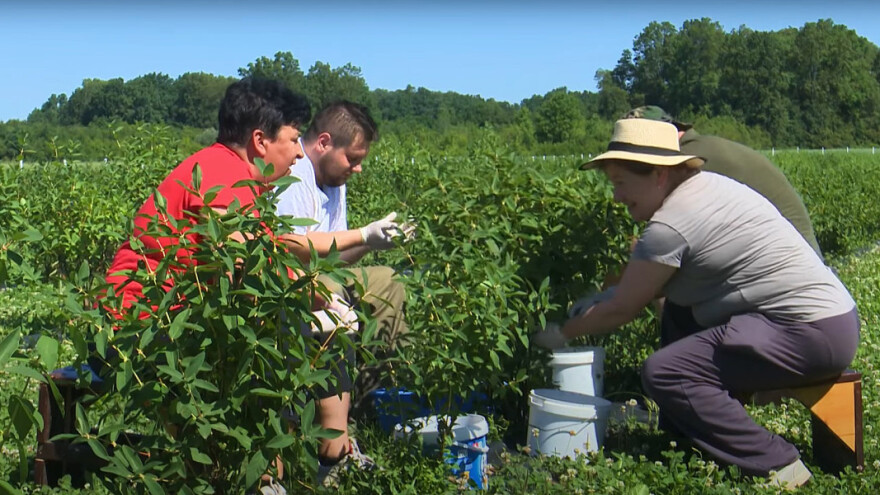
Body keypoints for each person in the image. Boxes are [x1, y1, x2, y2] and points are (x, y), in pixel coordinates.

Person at [534, 119, 859, 489]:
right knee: (679, 313)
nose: (616, 197)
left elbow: (623, 308)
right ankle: (685, 432)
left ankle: (778, 464)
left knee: (664, 372)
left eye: (621, 183)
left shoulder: (671, 225)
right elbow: (643, 286)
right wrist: (604, 295)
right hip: (828, 320)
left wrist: (562, 333)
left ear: (658, 174)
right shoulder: (705, 189)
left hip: (810, 334)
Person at [102, 77, 361, 493]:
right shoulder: (223, 173)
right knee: (279, 329)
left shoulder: (239, 177)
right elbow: (246, 263)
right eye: (293, 139)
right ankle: (266, 474)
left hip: (174, 316)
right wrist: (320, 301)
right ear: (260, 140)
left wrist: (320, 299)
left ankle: (299, 462)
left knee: (293, 326)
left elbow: (266, 257)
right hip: (140, 327)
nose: (298, 153)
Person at [274, 100, 413, 481]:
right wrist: (361, 236)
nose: (358, 167)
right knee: (334, 303)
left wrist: (373, 242)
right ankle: (330, 444)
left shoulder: (335, 180)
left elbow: (337, 257)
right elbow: (292, 250)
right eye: (352, 158)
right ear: (323, 143)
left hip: (323, 274)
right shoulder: (295, 173)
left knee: (388, 282)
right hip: (286, 279)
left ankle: (370, 399)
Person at [622, 105, 822, 258]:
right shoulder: (703, 146)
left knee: (657, 255)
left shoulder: (686, 161)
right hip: (804, 262)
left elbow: (667, 239)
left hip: (789, 268)